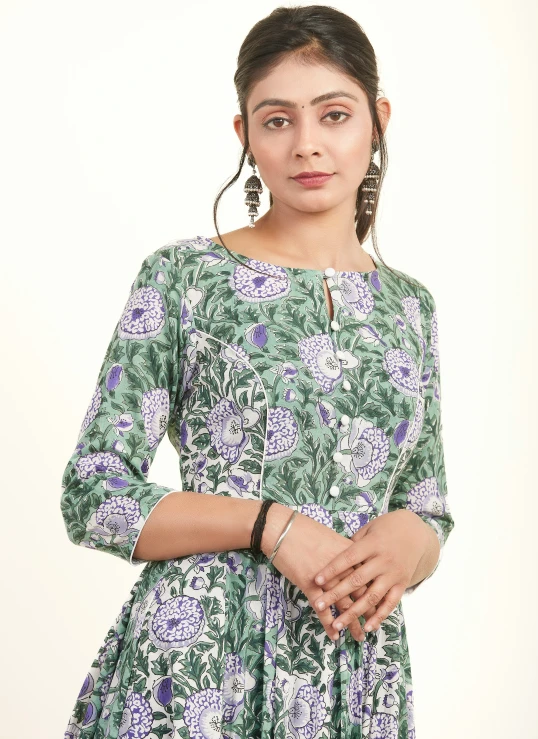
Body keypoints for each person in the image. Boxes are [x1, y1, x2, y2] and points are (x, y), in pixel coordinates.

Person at [61, 5, 455, 738]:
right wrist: (271, 525)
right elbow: (93, 492)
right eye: (277, 121)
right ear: (244, 134)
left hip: (352, 675)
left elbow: (427, 503)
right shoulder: (184, 277)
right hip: (198, 664)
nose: (307, 145)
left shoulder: (411, 308)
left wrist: (412, 540)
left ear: (378, 119)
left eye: (334, 114)